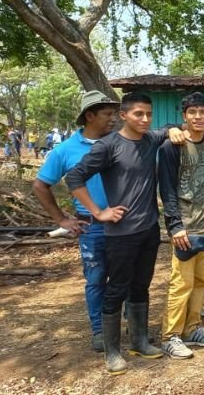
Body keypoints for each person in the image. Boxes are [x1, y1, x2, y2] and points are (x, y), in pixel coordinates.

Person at [65, 93, 190, 375]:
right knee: (116, 289)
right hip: (120, 233)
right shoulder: (108, 146)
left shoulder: (151, 139)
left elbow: (174, 126)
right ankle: (111, 352)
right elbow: (74, 178)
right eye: (138, 114)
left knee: (141, 286)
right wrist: (99, 212)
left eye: (148, 114)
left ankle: (139, 341)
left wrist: (173, 128)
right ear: (123, 115)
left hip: (148, 230)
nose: (145, 119)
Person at [32, 90, 120, 353]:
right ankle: (99, 330)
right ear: (89, 116)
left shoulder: (121, 142)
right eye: (107, 114)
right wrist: (61, 219)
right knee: (96, 278)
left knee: (122, 276)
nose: (113, 119)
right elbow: (40, 185)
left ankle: (121, 323)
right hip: (91, 227)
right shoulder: (65, 151)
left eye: (114, 113)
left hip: (124, 224)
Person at [158, 93, 204, 359]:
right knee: (180, 282)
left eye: (203, 112)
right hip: (185, 225)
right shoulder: (172, 146)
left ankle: (193, 327)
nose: (198, 117)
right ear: (184, 116)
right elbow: (167, 189)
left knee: (199, 281)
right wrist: (175, 225)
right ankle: (170, 335)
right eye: (192, 112)